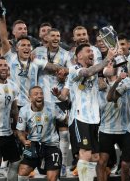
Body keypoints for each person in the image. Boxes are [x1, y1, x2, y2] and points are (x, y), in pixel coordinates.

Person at [52, 43, 115, 180]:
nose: (92, 53)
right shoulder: (74, 68)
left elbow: (109, 72)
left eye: (92, 51)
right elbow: (86, 74)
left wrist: (113, 62)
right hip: (80, 118)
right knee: (85, 154)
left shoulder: (95, 68)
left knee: (96, 157)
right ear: (79, 55)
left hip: (94, 119)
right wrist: (58, 95)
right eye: (88, 51)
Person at [32, 28, 72, 177]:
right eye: (53, 36)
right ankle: (40, 163)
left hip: (59, 97)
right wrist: (58, 68)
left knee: (64, 133)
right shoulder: (38, 51)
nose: (56, 38)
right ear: (46, 38)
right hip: (42, 98)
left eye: (58, 35)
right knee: (41, 133)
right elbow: (33, 64)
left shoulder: (66, 54)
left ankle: (63, 165)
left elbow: (71, 69)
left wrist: (64, 71)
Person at [16, 86, 67, 181]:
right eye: (36, 94)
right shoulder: (24, 110)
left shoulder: (52, 107)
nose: (40, 96)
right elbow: (20, 130)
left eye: (41, 93)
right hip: (33, 145)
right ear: (29, 97)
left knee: (52, 178)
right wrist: (23, 140)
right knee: (22, 171)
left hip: (51, 145)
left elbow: (65, 119)